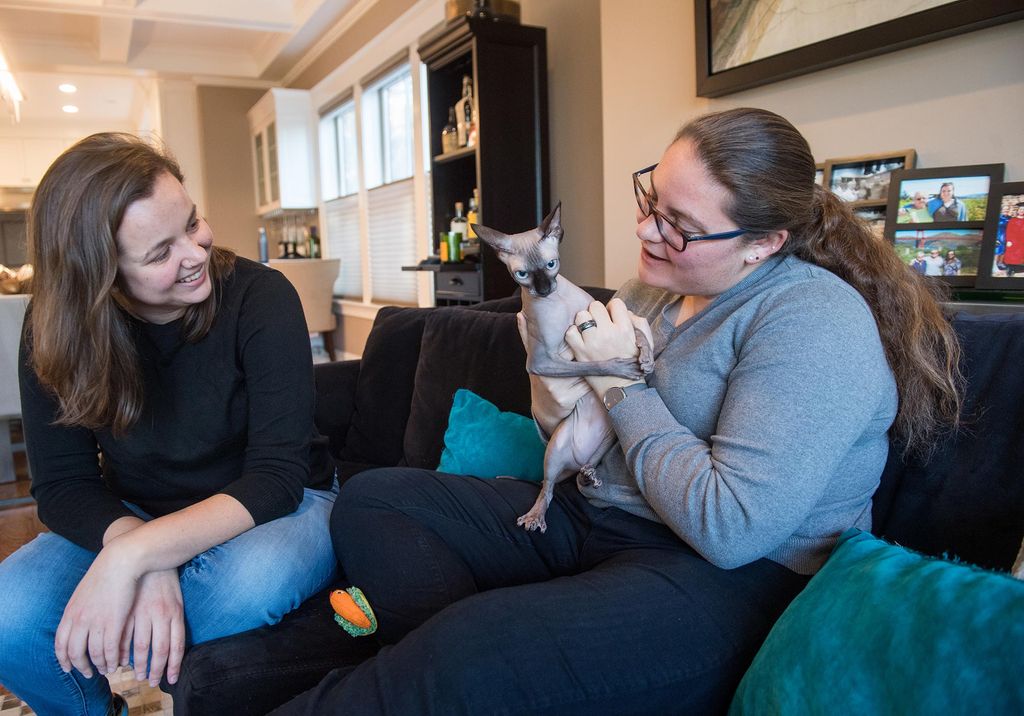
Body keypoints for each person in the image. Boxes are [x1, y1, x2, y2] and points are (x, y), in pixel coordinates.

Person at [274, 108, 963, 715]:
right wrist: (550, 349)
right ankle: (494, 658)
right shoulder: (657, 290)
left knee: (468, 651)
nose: (645, 228)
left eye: (680, 225)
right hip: (599, 514)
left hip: (730, 577)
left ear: (763, 242)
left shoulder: (812, 322)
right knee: (374, 501)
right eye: (651, 199)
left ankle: (471, 657)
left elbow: (730, 528)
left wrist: (617, 380)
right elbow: (570, 432)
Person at [0, 133, 338, 716]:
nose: (196, 252)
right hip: (135, 512)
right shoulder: (53, 330)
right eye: (160, 253)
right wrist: (138, 548)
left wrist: (133, 561)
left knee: (241, 591)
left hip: (280, 502)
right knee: (9, 615)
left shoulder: (261, 298)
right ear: (98, 279)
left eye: (192, 222)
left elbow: (276, 479)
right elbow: (61, 487)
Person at [1004, 203, 1024, 276]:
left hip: (1022, 240)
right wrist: (1009, 240)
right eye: (1021, 209)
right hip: (1013, 240)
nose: (1022, 211)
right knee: (1011, 255)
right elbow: (1009, 230)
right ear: (1018, 210)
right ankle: (1010, 269)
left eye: (1023, 210)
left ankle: (1018, 268)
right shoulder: (1012, 220)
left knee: (1021, 255)